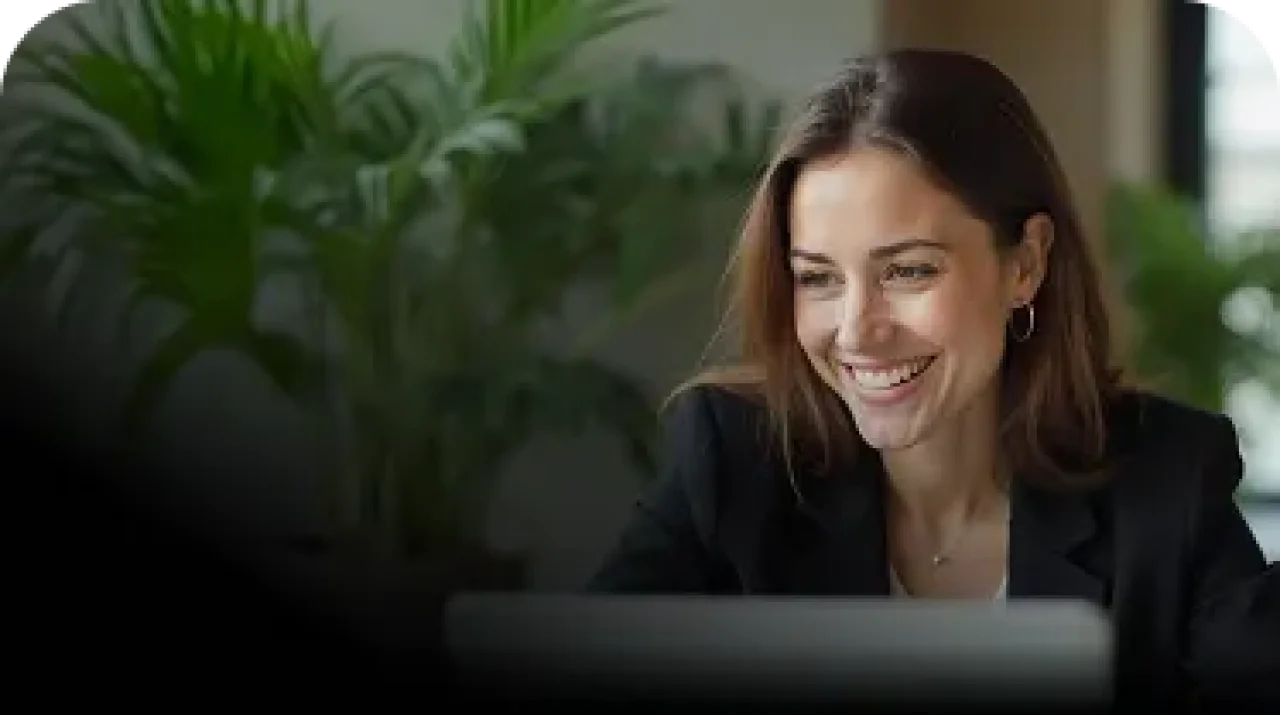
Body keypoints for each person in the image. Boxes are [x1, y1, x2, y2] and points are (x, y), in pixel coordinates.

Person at [586, 49, 1279, 707]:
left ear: (1026, 264)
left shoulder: (1166, 479)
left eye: (909, 270)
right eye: (818, 278)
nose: (857, 329)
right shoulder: (730, 461)